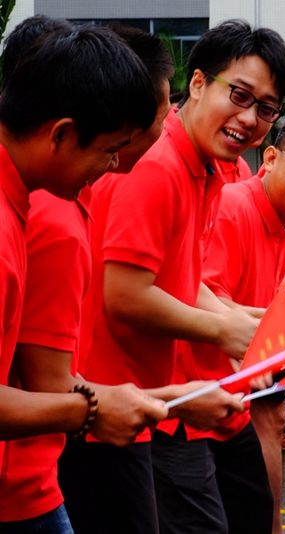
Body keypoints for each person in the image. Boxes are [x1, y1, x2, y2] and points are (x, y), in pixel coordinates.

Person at [75, 20, 285, 533]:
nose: (250, 118)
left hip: (160, 395)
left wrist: (255, 324)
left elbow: (180, 278)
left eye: (266, 108)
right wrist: (229, 329)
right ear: (197, 84)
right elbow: (125, 297)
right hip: (112, 402)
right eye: (239, 95)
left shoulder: (208, 169)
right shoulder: (159, 164)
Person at [0, 23, 170, 531]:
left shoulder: (23, 204)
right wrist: (90, 411)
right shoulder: (28, 223)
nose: (116, 164)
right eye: (110, 149)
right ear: (61, 133)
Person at [194, 115, 285, 534]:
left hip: (244, 378)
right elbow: (203, 297)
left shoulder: (282, 223)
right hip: (205, 393)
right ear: (271, 157)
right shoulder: (234, 206)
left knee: (269, 434)